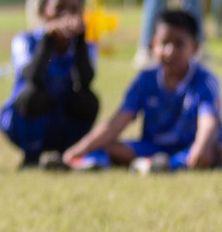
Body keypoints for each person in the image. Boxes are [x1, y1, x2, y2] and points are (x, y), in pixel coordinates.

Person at [64, 9, 220, 172]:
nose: (170, 51)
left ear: (194, 48)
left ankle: (160, 165)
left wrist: (200, 148)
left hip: (190, 146)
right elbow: (118, 122)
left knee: (209, 152)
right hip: (152, 147)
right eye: (164, 43)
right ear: (153, 44)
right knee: (107, 147)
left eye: (179, 44)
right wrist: (79, 149)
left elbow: (208, 123)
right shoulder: (145, 79)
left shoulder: (204, 81)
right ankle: (87, 163)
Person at [0, 0, 99, 169]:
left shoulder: (86, 45)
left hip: (61, 120)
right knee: (33, 95)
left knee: (88, 100)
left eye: (74, 9)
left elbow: (85, 81)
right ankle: (32, 155)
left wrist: (80, 40)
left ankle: (68, 153)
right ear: (42, 12)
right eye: (59, 8)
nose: (66, 15)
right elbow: (32, 76)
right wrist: (48, 37)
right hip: (24, 121)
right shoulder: (25, 41)